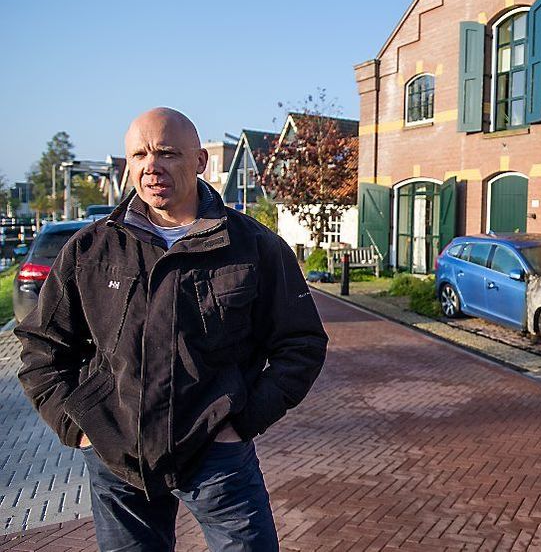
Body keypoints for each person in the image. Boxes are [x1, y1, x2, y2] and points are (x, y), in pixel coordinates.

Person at [16, 107, 328, 551]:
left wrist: (242, 421)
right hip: (116, 457)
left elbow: (302, 343)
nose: (152, 166)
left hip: (216, 456)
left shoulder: (254, 246)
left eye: (166, 153)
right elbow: (41, 347)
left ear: (200, 160)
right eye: (139, 155)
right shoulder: (91, 248)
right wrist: (79, 426)